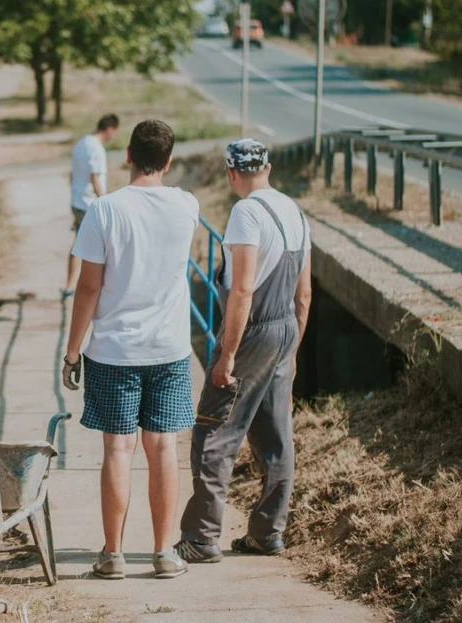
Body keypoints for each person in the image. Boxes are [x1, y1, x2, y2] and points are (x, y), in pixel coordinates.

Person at [63, 119, 200, 580]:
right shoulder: (186, 206)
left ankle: (114, 555)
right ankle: (164, 553)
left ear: (126, 155)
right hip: (168, 348)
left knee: (118, 451)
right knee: (163, 449)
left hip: (114, 351)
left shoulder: (104, 210)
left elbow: (88, 287)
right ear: (167, 161)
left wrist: (71, 352)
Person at [176, 139, 312, 563]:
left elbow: (243, 288)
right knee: (275, 436)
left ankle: (201, 538)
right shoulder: (295, 210)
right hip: (286, 328)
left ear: (231, 173)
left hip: (251, 331)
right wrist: (291, 350)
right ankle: (268, 533)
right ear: (268, 167)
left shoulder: (246, 212)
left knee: (214, 431)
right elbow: (304, 294)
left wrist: (228, 354)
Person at [64, 114, 120, 297]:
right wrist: (106, 203)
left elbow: (73, 172)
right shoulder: (97, 149)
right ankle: (90, 287)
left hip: (77, 199)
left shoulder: (81, 143)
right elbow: (95, 178)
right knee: (97, 248)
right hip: (89, 203)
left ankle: (70, 285)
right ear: (110, 129)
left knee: (79, 245)